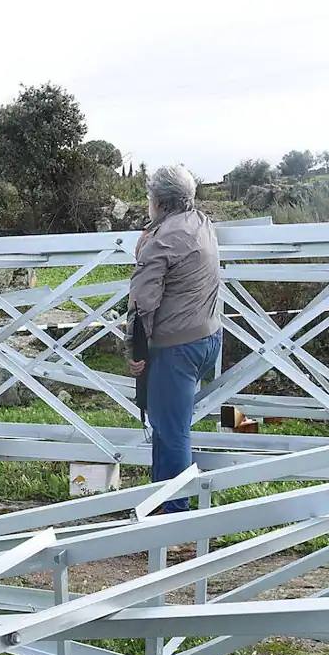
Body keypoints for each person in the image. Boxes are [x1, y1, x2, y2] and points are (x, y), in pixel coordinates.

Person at [127, 165, 222, 513]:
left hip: (177, 348)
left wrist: (136, 351)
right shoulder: (202, 222)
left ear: (157, 201)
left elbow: (142, 304)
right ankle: (160, 501)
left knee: (172, 432)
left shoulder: (160, 242)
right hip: (209, 337)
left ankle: (177, 517)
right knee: (167, 425)